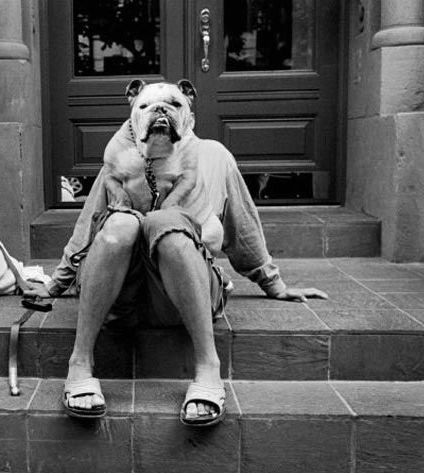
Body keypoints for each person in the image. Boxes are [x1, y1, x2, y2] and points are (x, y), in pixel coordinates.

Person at [25, 78, 327, 426]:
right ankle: (79, 361)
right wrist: (55, 285)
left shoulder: (213, 156)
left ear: (191, 117)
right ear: (132, 118)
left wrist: (273, 283)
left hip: (183, 294)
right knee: (120, 225)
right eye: (148, 107)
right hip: (120, 297)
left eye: (173, 105)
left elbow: (242, 227)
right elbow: (89, 226)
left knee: (169, 225)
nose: (160, 113)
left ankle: (207, 366)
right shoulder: (122, 159)